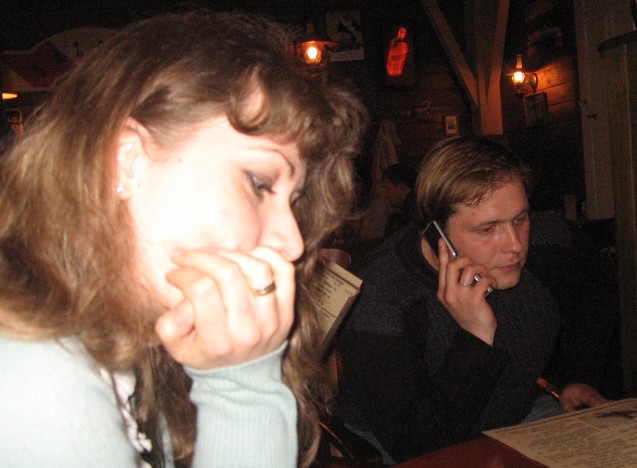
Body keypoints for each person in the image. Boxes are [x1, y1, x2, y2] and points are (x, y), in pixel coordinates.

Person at [0, 11, 367, 467]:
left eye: (293, 201)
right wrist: (241, 386)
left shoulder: (133, 343)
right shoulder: (34, 374)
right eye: (258, 182)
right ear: (126, 161)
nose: (292, 243)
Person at [336, 136, 607, 464]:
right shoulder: (378, 301)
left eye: (520, 219)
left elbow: (592, 290)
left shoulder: (549, 245)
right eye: (487, 229)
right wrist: (475, 337)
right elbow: (419, 446)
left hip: (521, 414)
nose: (515, 246)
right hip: (412, 444)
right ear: (436, 233)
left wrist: (578, 375)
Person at [380, 162, 417, 238]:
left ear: (401, 188)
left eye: (387, 189)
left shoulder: (413, 216)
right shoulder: (414, 208)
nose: (385, 195)